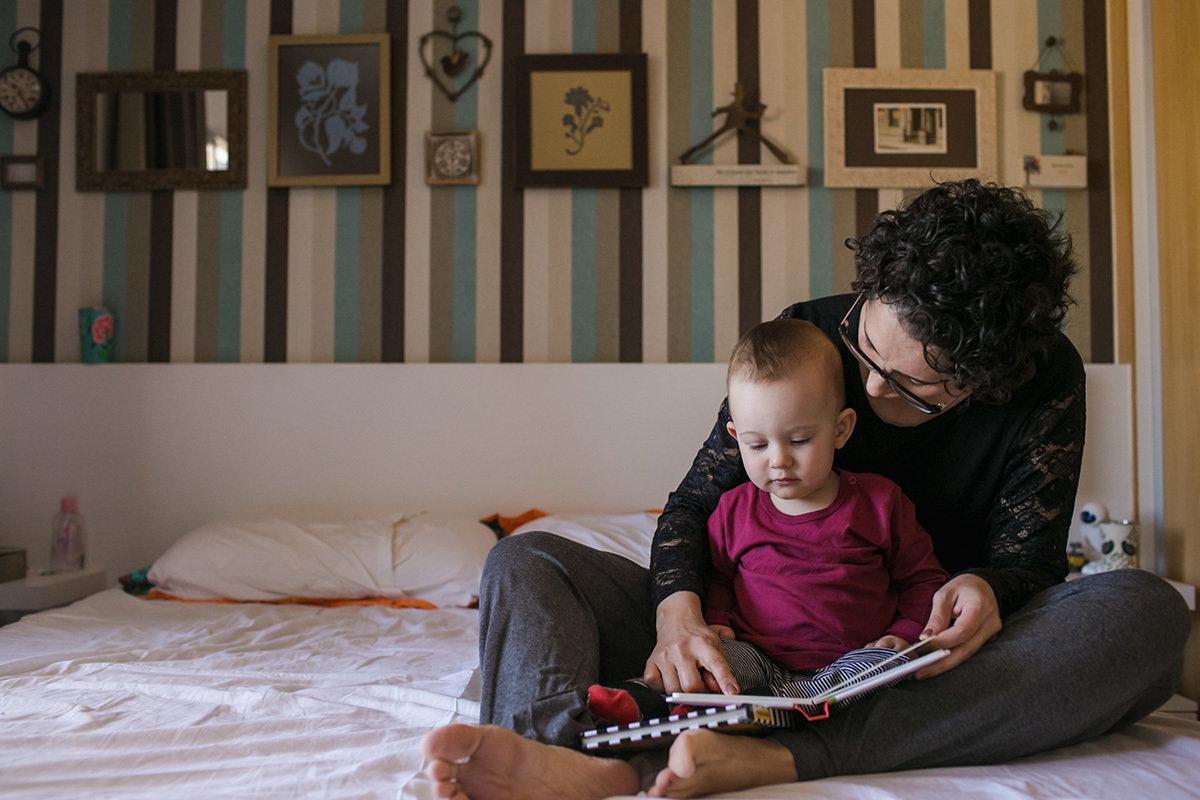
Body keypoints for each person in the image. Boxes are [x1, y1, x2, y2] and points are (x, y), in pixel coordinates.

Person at [421, 179, 1191, 800]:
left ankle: (778, 758)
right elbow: (696, 505)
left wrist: (986, 588)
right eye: (866, 349)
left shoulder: (1041, 376)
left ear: (982, 383)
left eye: (909, 389)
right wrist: (677, 614)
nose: (869, 383)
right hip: (746, 642)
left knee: (1144, 610)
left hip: (909, 657)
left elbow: (1029, 560)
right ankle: (549, 760)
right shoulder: (809, 338)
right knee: (528, 563)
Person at [589, 319, 948, 728]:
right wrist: (719, 623)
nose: (778, 460)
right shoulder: (732, 510)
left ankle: (775, 716)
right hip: (756, 659)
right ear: (735, 436)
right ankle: (643, 702)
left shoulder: (881, 503)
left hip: (852, 662)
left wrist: (900, 635)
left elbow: (923, 581)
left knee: (888, 673)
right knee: (708, 670)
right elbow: (721, 580)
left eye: (798, 441)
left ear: (841, 429)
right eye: (757, 445)